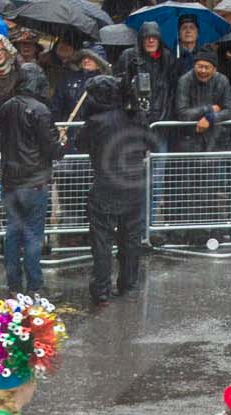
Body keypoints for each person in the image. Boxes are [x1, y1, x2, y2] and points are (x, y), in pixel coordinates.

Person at [76, 76, 153, 309]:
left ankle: (102, 290)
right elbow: (147, 143)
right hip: (133, 185)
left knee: (102, 240)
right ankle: (128, 283)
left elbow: (80, 144)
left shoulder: (96, 122)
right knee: (131, 239)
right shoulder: (135, 117)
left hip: (106, 185)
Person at [0, 63, 59, 296]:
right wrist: (60, 146)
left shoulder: (5, 107)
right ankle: (34, 286)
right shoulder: (40, 110)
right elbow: (49, 148)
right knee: (33, 235)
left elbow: (0, 141)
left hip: (11, 181)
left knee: (12, 234)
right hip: (34, 182)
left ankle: (13, 286)